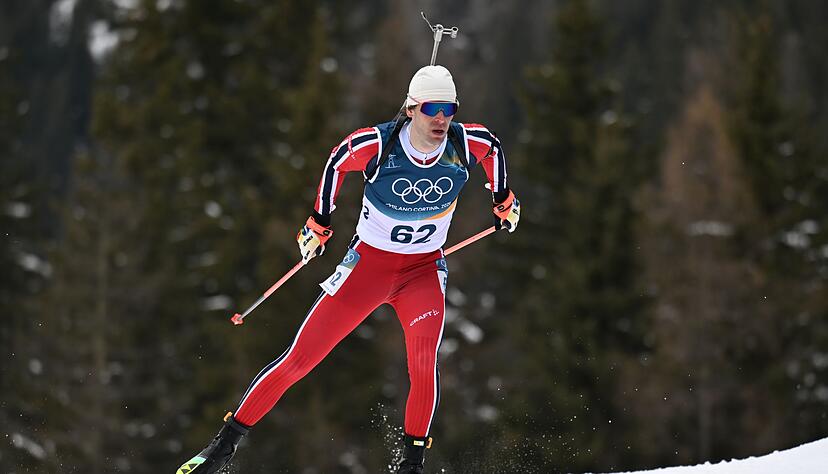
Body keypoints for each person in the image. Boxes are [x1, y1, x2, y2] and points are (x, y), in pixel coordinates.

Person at [176, 64, 520, 474]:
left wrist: (503, 200)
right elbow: (337, 161)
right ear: (411, 108)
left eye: (449, 108)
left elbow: (494, 149)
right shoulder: (378, 144)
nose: (442, 118)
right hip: (368, 269)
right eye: (432, 108)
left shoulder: (467, 142)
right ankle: (221, 449)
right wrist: (319, 221)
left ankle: (411, 466)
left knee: (424, 363)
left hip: (423, 271)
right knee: (300, 360)